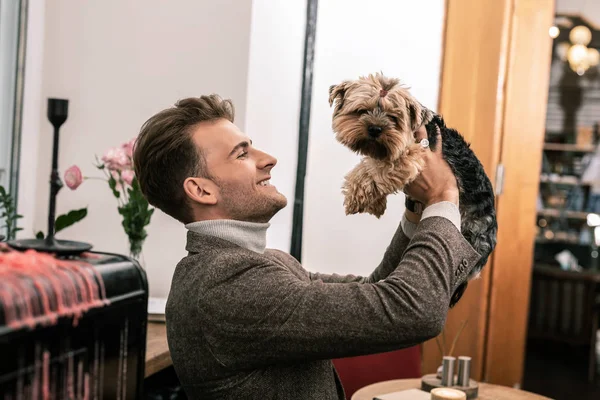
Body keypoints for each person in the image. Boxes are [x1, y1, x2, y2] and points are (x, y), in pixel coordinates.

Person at [133, 95, 480, 400]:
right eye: (242, 154)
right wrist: (443, 196)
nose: (268, 158)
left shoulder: (263, 263)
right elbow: (411, 310)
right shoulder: (228, 286)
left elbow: (374, 291)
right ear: (202, 190)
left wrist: (417, 209)